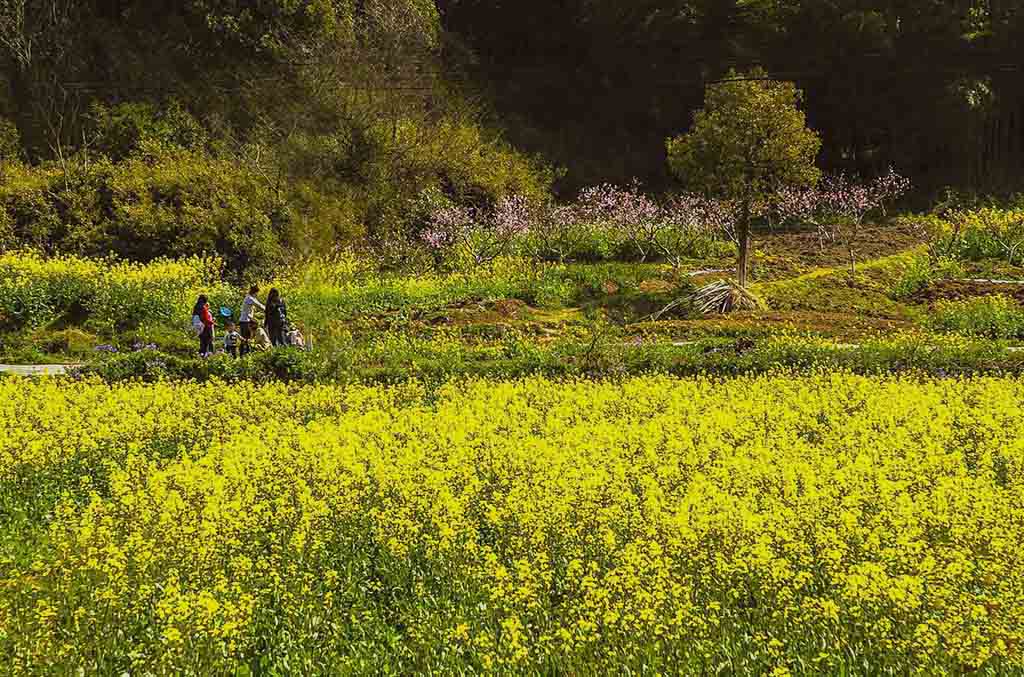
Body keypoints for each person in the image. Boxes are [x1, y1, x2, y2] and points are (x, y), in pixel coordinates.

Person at [239, 284, 264, 357]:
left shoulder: (250, 297)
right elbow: (259, 305)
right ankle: (243, 355)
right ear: (255, 292)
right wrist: (268, 310)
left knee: (248, 338)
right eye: (257, 293)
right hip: (245, 321)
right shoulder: (249, 298)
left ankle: (247, 354)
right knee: (245, 338)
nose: (257, 294)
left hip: (246, 320)